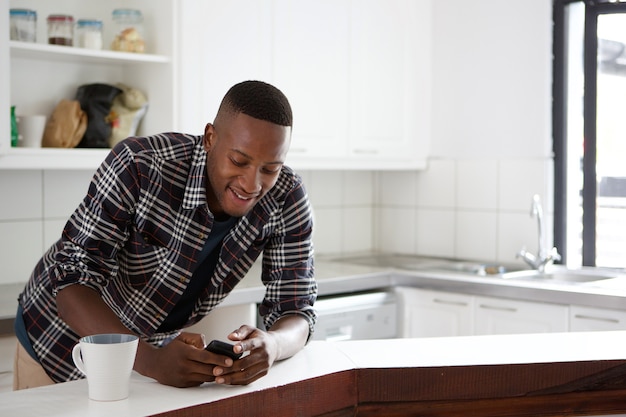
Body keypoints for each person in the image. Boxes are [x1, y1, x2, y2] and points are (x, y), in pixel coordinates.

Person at [13, 80, 317, 389]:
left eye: (270, 168)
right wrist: (150, 361)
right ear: (210, 137)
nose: (253, 184)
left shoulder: (285, 197)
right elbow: (71, 281)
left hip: (144, 360)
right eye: (238, 161)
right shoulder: (140, 165)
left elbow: (296, 308)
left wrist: (274, 344)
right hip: (58, 346)